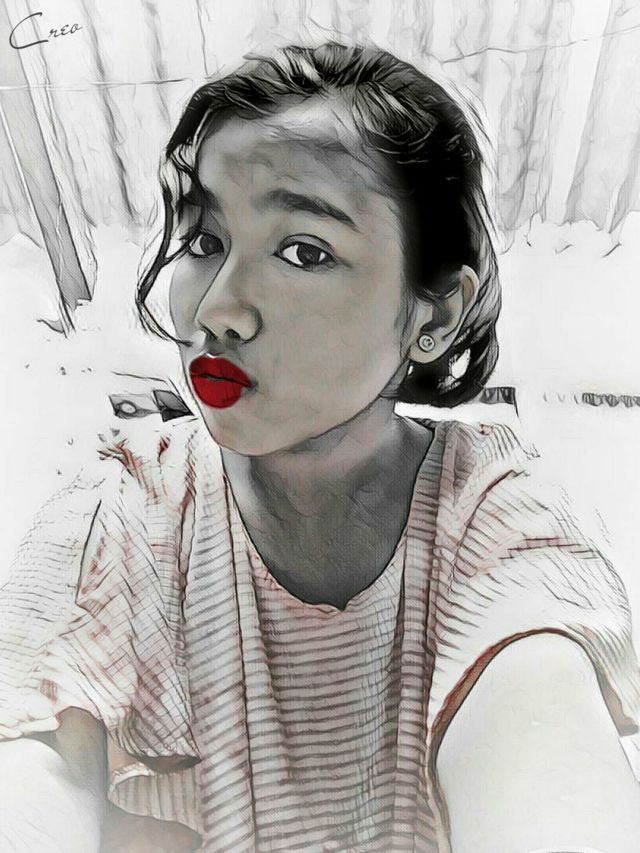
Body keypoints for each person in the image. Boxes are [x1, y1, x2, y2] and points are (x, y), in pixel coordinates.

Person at [1, 42, 639, 853]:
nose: (219, 309)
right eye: (203, 242)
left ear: (436, 315)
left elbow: (545, 750)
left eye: (303, 250)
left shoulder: (492, 518)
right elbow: (29, 772)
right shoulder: (122, 517)